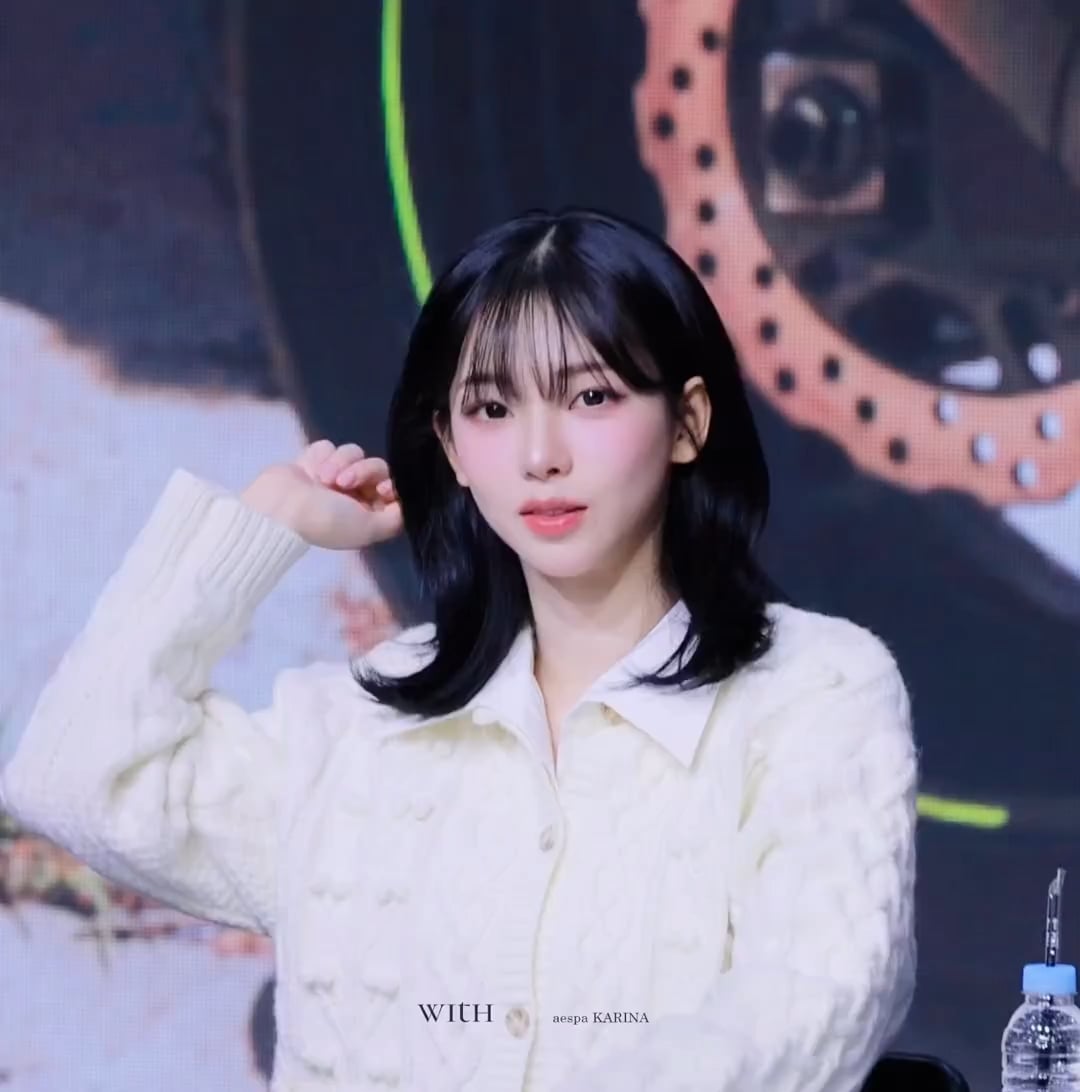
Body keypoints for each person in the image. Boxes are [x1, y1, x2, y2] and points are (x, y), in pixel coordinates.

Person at [0, 207, 918, 1092]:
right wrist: (261, 524)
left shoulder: (813, 694)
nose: (540, 454)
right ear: (449, 444)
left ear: (688, 422)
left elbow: (817, 1000)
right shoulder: (363, 724)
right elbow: (76, 774)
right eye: (491, 407)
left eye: (591, 396)